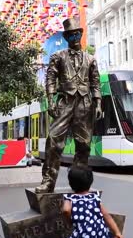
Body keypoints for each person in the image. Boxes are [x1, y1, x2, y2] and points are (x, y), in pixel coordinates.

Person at [36, 18, 102, 193]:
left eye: (77, 33)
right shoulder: (58, 56)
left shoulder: (90, 59)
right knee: (53, 141)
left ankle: (79, 183)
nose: (75, 36)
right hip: (64, 102)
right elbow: (50, 79)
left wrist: (98, 103)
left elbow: (95, 83)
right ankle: (48, 181)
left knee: (84, 145)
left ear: (81, 34)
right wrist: (50, 100)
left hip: (85, 104)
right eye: (71, 34)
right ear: (66, 37)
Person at [58, 167, 124, 238]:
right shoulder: (95, 197)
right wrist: (117, 232)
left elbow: (66, 210)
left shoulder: (70, 198)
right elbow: (106, 216)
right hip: (100, 233)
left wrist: (70, 221)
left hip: (83, 234)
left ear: (71, 184)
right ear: (90, 182)